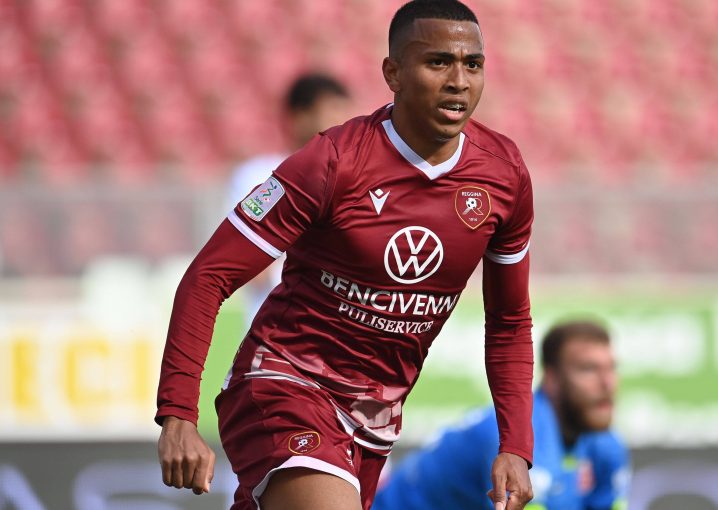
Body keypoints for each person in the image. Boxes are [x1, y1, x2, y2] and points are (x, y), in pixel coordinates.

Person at [155, 1, 535, 509]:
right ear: (393, 73)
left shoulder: (503, 174)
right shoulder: (333, 161)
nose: (459, 81)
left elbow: (509, 321)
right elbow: (208, 275)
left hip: (374, 420)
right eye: (438, 62)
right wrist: (178, 413)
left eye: (473, 64)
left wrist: (516, 445)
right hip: (285, 383)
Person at [373, 320, 631, 510]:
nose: (608, 383)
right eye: (588, 369)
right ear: (551, 379)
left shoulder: (607, 444)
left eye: (612, 368)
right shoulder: (510, 440)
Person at [224, 74, 351, 324]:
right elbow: (244, 266)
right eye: (331, 113)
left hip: (335, 331)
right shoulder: (258, 176)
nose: (342, 125)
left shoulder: (352, 179)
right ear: (299, 117)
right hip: (273, 329)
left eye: (344, 113)